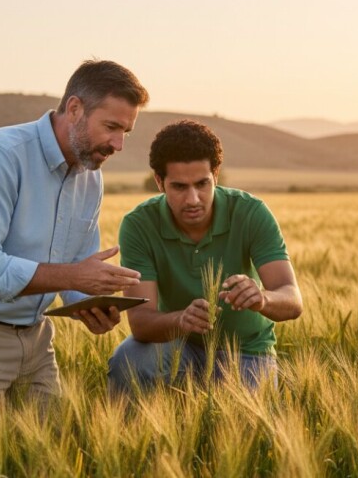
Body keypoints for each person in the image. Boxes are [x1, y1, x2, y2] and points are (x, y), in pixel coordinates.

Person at [0, 60, 149, 418]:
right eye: (111, 127)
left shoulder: (90, 176)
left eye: (126, 132)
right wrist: (73, 278)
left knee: (48, 455)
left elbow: (76, 268)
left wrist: (90, 303)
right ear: (74, 109)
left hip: (36, 338)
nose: (118, 144)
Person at [107, 120, 303, 393]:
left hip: (246, 351)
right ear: (159, 182)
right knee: (129, 361)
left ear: (216, 175)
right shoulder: (139, 224)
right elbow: (141, 322)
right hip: (178, 345)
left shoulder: (251, 212)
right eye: (179, 187)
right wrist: (181, 320)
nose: (193, 199)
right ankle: (127, 436)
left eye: (202, 184)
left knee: (246, 432)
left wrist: (262, 298)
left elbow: (292, 300)